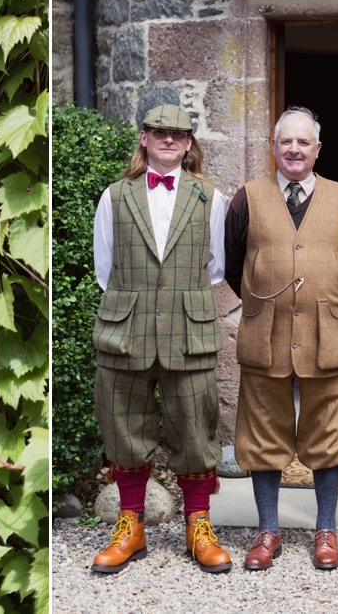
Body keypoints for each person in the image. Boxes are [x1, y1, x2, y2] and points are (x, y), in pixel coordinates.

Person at [90, 104, 231, 575]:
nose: (169, 139)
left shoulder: (212, 198)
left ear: (190, 143)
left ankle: (198, 526)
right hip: (125, 330)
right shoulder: (115, 196)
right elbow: (104, 270)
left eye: (179, 133)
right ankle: (131, 527)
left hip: (188, 331)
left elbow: (216, 269)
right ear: (144, 138)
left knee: (195, 429)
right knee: (124, 428)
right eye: (159, 132)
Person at [224, 106, 338, 570]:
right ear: (274, 146)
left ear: (317, 149)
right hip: (264, 334)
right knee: (263, 431)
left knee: (328, 430)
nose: (294, 149)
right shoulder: (246, 198)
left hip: (327, 334)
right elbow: (232, 265)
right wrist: (265, 300)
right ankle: (268, 530)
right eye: (286, 141)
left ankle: (325, 529)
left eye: (304, 142)